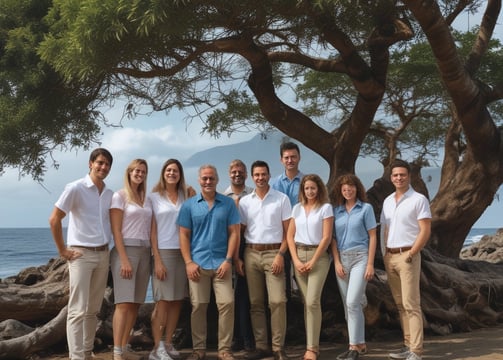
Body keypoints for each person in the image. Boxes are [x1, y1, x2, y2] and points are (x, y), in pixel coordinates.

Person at [48, 148, 114, 360]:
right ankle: (76, 357)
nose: (103, 167)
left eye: (107, 164)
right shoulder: (75, 187)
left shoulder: (109, 193)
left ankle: (86, 352)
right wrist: (62, 251)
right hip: (81, 255)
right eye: (100, 163)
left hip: (103, 254)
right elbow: (54, 219)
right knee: (77, 309)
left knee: (93, 309)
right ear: (90, 163)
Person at [177, 165, 240, 360]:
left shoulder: (228, 204)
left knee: (227, 303)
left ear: (217, 180)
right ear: (199, 180)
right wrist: (188, 262)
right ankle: (198, 349)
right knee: (198, 306)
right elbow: (184, 235)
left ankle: (224, 349)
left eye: (211, 178)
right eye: (204, 178)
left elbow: (234, 233)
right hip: (198, 264)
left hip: (222, 263)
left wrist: (229, 260)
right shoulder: (189, 205)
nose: (208, 181)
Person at [239, 160, 292, 360]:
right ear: (252, 177)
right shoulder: (245, 202)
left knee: (278, 301)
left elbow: (289, 232)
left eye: (263, 174)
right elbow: (240, 231)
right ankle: (262, 347)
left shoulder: (281, 199)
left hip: (274, 253)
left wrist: (280, 255)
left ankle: (279, 348)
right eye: (257, 175)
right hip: (251, 253)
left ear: (269, 175)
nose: (260, 178)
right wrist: (238, 258)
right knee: (256, 303)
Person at [380, 160, 431, 360]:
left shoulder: (418, 199)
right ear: (391, 178)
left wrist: (412, 253)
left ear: (409, 176)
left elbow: (425, 230)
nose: (399, 178)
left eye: (402, 174)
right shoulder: (387, 201)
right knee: (400, 304)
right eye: (395, 175)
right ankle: (408, 345)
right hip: (390, 256)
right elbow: (385, 229)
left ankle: (416, 351)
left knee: (411, 304)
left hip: (408, 255)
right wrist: (385, 253)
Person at [149, 159, 194, 360]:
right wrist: (157, 258)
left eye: (175, 170)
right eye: (168, 170)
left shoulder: (187, 195)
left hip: (183, 253)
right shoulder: (154, 197)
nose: (172, 173)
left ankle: (168, 343)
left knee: (177, 300)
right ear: (163, 173)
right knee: (162, 301)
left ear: (180, 174)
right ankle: (156, 348)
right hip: (164, 253)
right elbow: (152, 230)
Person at [286, 174, 333, 360]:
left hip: (318, 258)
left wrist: (313, 261)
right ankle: (310, 346)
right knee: (307, 303)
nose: (310, 191)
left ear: (319, 189)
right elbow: (290, 236)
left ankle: (312, 349)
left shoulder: (325, 208)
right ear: (303, 190)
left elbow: (326, 237)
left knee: (313, 301)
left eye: (313, 188)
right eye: (307, 188)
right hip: (298, 255)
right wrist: (296, 260)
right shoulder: (296, 208)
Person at [110, 159, 153, 360]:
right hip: (125, 251)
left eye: (143, 171)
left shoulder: (146, 197)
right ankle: (117, 351)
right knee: (124, 303)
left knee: (136, 303)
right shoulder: (120, 196)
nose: (140, 174)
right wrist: (124, 259)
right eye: (137, 170)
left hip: (145, 252)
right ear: (129, 172)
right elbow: (116, 231)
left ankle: (125, 347)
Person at [331, 174, 377, 360]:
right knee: (348, 305)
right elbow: (332, 239)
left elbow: (373, 236)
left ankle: (353, 348)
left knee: (352, 303)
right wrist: (336, 261)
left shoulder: (366, 209)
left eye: (350, 187)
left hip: (360, 257)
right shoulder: (336, 211)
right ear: (340, 191)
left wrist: (370, 264)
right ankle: (360, 344)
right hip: (342, 259)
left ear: (357, 188)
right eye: (344, 188)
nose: (348, 190)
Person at [222, 160, 255, 353]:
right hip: (226, 248)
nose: (237, 175)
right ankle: (233, 338)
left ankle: (248, 339)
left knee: (246, 295)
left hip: (247, 246)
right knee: (228, 296)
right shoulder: (222, 196)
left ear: (246, 174)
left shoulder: (252, 194)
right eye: (234, 172)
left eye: (240, 172)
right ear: (229, 174)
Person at [271, 141, 304, 301]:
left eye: (293, 157)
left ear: (299, 158)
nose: (290, 160)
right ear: (281, 160)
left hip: (302, 236)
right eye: (286, 157)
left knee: (302, 276)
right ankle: (288, 313)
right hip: (281, 236)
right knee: (282, 278)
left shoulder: (307, 182)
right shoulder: (273, 184)